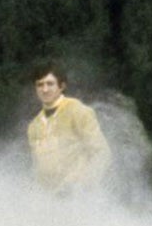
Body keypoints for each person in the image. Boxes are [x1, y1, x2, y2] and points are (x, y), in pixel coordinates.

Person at [27, 64, 110, 193]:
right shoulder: (34, 126)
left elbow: (102, 153)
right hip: (49, 201)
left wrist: (82, 184)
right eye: (40, 84)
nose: (44, 89)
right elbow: (37, 167)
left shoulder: (78, 111)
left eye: (50, 84)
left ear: (62, 86)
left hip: (79, 197)